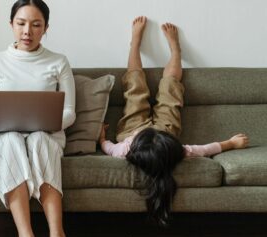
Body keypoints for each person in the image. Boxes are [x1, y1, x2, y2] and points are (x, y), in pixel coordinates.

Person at [99, 16, 249, 226]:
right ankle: (176, 50)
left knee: (134, 88)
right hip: (165, 131)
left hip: (132, 130)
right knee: (170, 88)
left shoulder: (125, 149)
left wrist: (102, 138)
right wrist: (231, 143)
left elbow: (109, 149)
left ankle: (134, 43)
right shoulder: (174, 150)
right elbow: (205, 149)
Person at [0, 0, 74, 237]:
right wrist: (4, 122)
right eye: (20, 24)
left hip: (47, 132)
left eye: (35, 25)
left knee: (40, 140)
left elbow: (69, 112)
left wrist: (44, 123)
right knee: (10, 141)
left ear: (46, 28)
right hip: (4, 134)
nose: (27, 32)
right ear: (11, 25)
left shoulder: (59, 62)